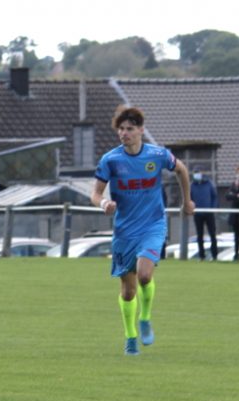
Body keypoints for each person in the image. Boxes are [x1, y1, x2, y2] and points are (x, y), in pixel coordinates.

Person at [91, 106, 194, 355]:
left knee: (145, 275)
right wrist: (104, 203)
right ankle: (130, 337)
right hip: (125, 231)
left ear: (140, 130)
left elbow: (181, 169)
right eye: (121, 129)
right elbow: (95, 193)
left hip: (153, 225)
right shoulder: (111, 160)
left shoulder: (157, 155)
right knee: (128, 292)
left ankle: (145, 317)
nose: (124, 133)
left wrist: (186, 201)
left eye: (129, 129)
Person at [190, 170, 218, 260]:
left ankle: (214, 255)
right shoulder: (192, 185)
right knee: (199, 235)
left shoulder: (209, 184)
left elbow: (214, 197)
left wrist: (213, 209)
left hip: (209, 213)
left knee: (212, 234)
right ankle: (202, 256)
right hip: (197, 214)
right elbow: (189, 198)